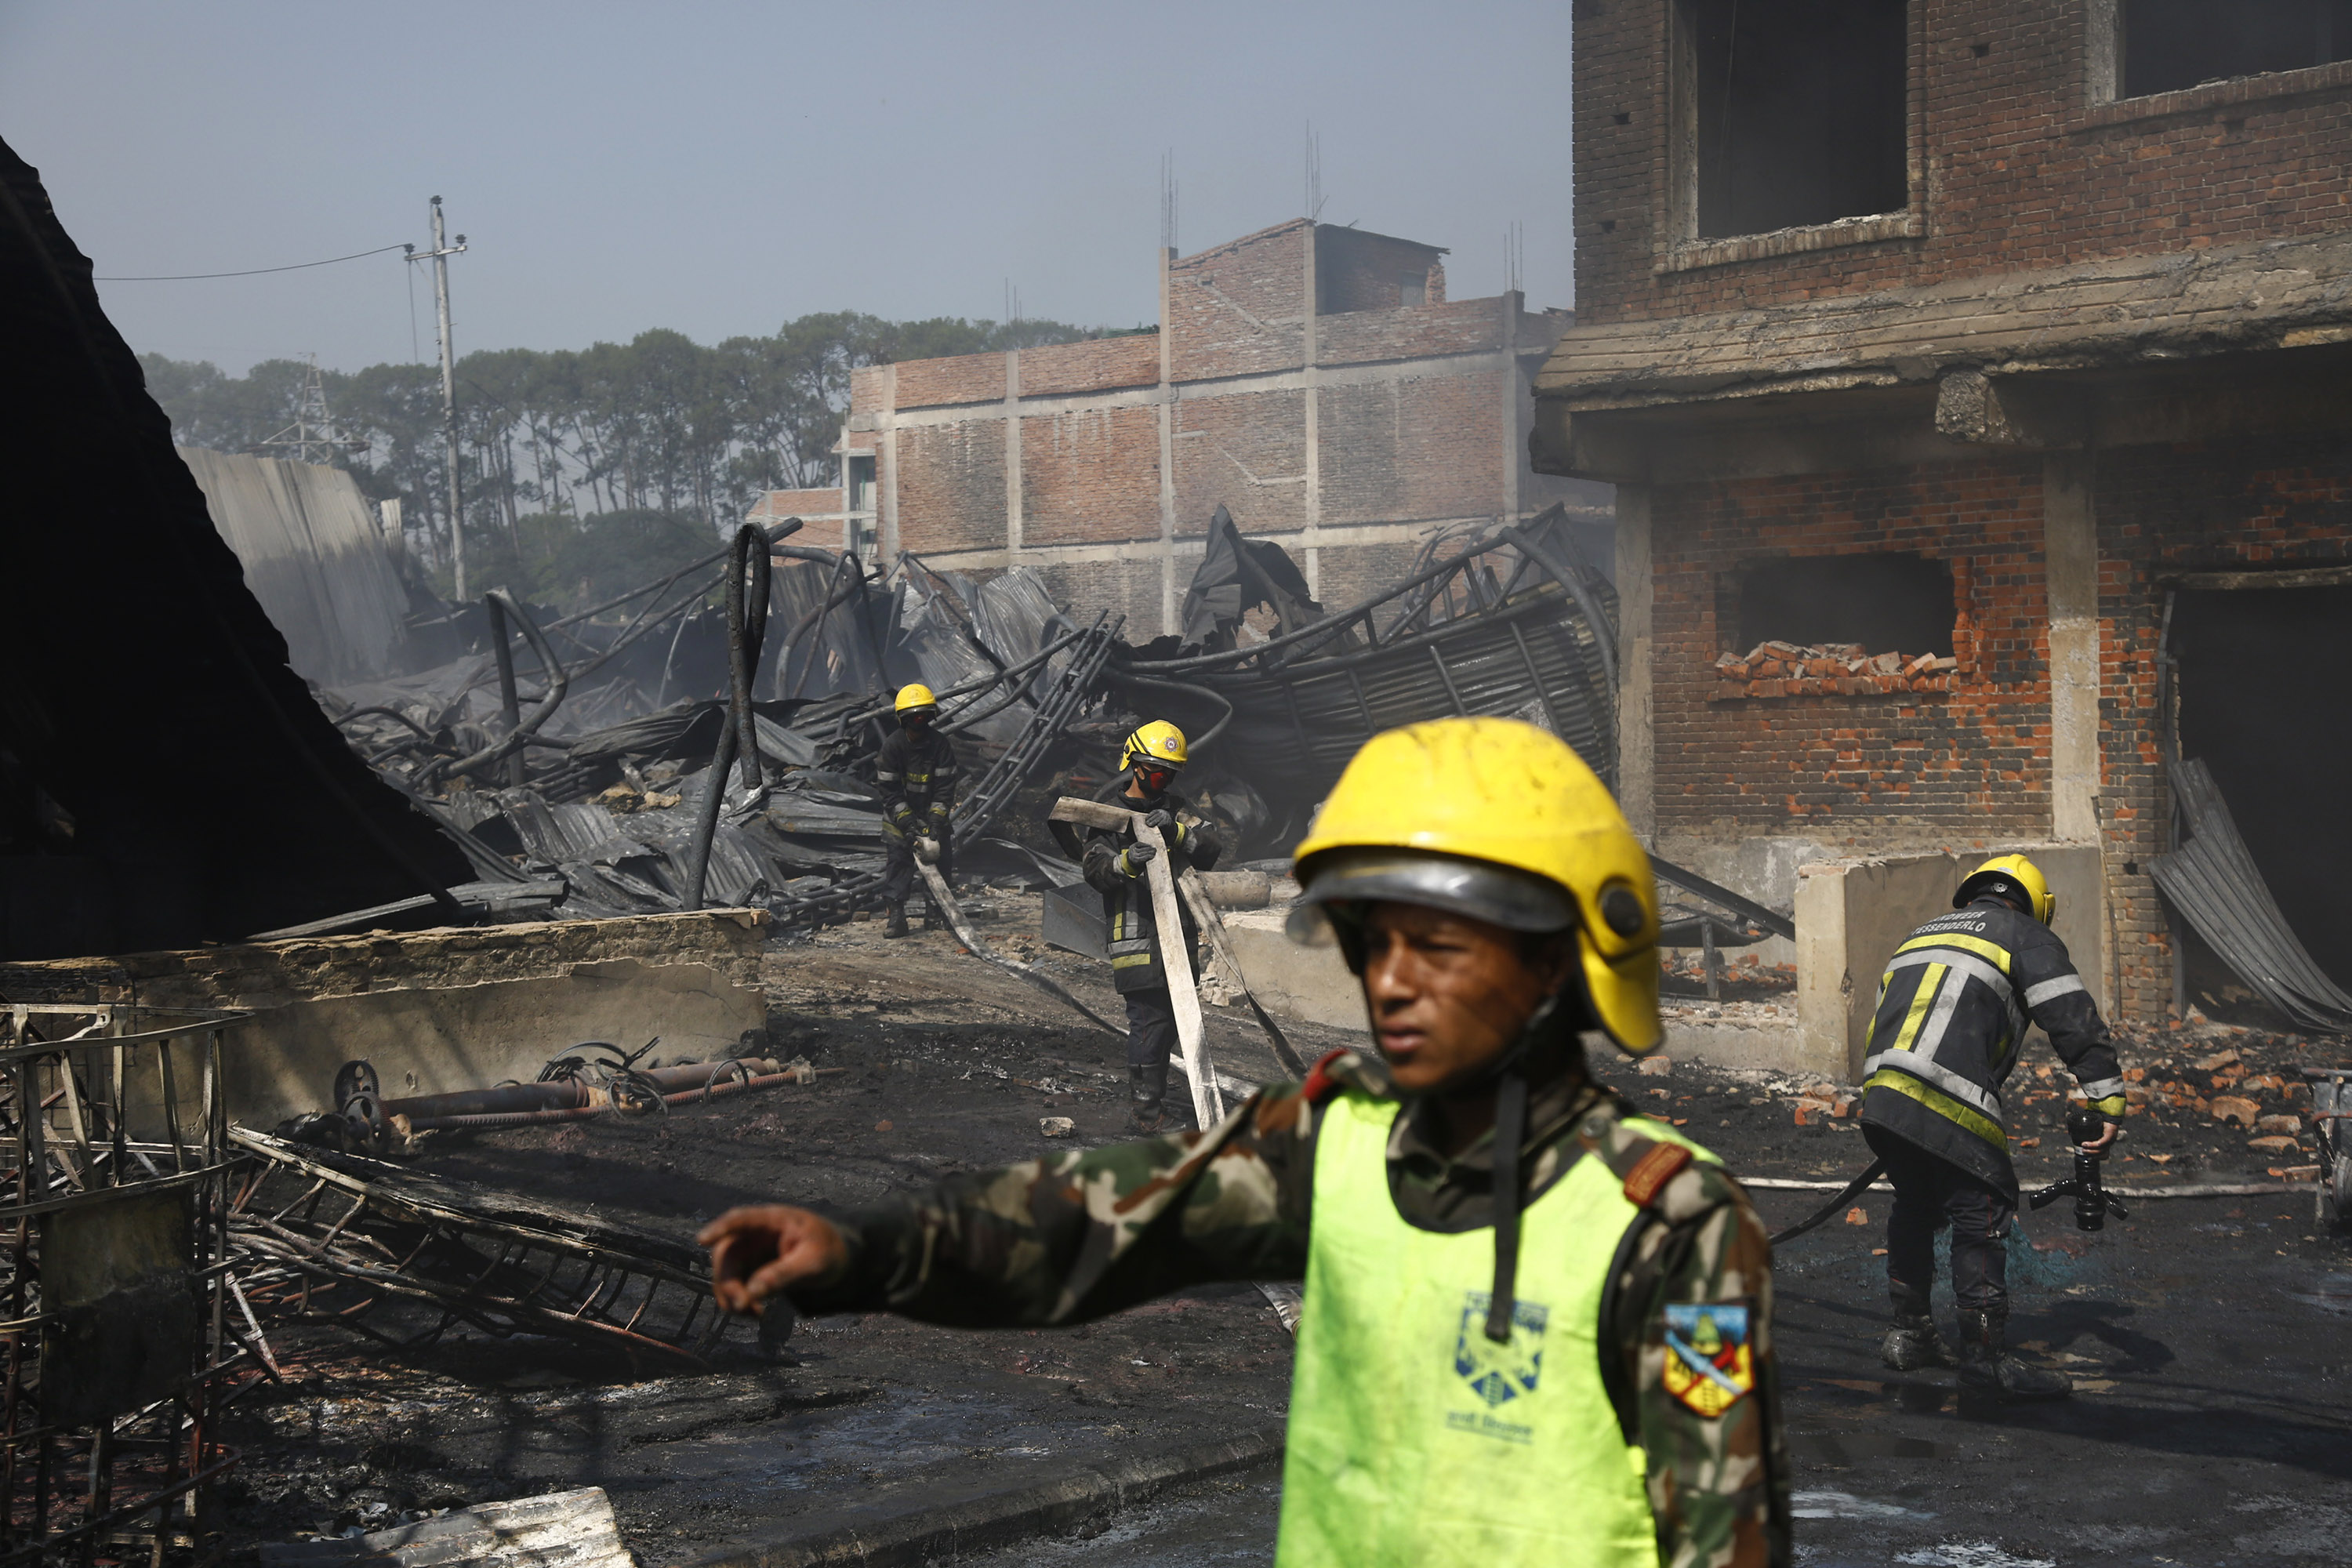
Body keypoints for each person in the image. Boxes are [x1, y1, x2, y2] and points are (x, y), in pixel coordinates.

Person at [701, 718, 1791, 1567]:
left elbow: (1722, 1533)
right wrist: (866, 1256)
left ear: (1565, 963)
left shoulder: (1669, 1226)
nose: (1393, 982)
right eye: (1376, 943)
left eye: (1440, 946)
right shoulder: (1332, 1144)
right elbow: (1091, 1227)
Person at [1858, 854, 2128, 1401]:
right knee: (1982, 1206)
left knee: (1915, 1204)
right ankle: (1984, 1359)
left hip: (1882, 1091)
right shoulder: (2023, 934)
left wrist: (1891, 1101)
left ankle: (1909, 1335)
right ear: (2033, 904)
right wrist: (2106, 1096)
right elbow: (2070, 1015)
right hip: (1947, 1087)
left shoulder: (1921, 933)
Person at [1080, 719, 1222, 1131]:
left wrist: (1175, 831)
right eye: (1158, 771)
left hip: (1177, 938)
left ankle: (1151, 1104)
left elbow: (1212, 848)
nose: (1164, 780)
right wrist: (1124, 862)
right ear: (1136, 766)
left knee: (1173, 1024)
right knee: (1148, 1023)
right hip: (1136, 938)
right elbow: (1094, 869)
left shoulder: (1178, 809)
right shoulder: (1108, 816)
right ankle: (1145, 1113)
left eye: (1170, 774)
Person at [873, 683, 957, 939]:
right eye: (914, 716)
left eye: (923, 715)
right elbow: (889, 791)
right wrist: (908, 824)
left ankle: (936, 915)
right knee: (899, 866)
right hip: (900, 819)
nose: (919, 721)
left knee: (940, 864)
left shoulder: (940, 745)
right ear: (903, 719)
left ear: (931, 715)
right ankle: (897, 917)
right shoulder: (893, 746)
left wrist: (935, 823)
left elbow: (945, 789)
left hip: (932, 817)